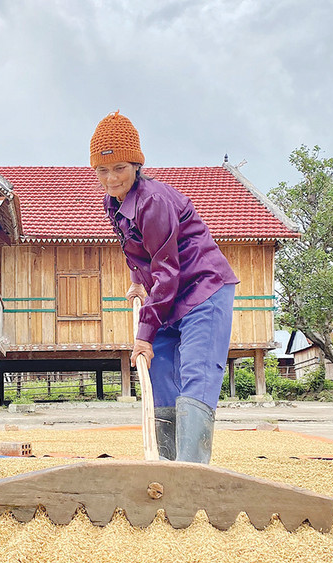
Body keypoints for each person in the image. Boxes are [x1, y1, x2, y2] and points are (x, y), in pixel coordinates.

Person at [90, 111, 239, 463]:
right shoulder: (112, 203)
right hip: (167, 297)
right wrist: (138, 283)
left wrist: (143, 335)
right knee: (160, 375)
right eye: (102, 171)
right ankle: (169, 470)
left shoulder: (153, 200)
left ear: (137, 165)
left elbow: (168, 271)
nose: (111, 179)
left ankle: (191, 473)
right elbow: (136, 250)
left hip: (203, 289)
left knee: (196, 373)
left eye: (120, 169)